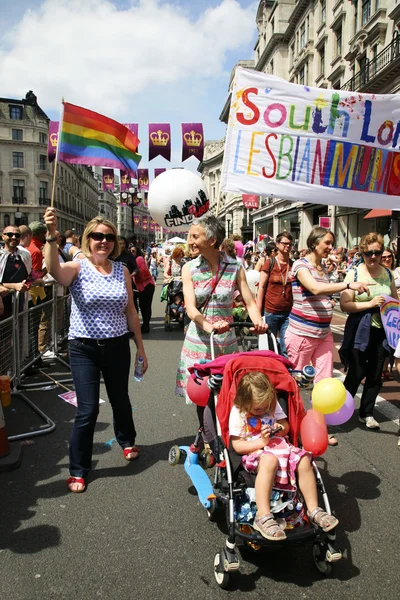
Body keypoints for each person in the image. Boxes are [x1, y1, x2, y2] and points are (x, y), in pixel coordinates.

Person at [43, 207, 147, 493]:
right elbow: (54, 270)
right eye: (98, 236)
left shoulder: (122, 271)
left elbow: (130, 311)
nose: (104, 241)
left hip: (116, 346)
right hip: (83, 348)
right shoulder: (78, 267)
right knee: (87, 410)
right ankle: (78, 469)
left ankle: (126, 440)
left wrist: (140, 347)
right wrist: (52, 235)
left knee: (120, 399)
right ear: (89, 239)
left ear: (115, 242)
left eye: (110, 237)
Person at [285, 227, 371, 446]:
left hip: (323, 334)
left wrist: (332, 298)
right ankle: (290, 429)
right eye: (328, 243)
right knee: (294, 383)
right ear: (314, 243)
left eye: (332, 243)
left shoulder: (323, 268)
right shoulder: (300, 265)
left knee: (323, 384)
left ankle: (318, 428)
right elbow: (314, 289)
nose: (331, 248)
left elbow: (322, 293)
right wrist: (348, 284)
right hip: (302, 334)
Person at [229, 372, 339, 541]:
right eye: (258, 409)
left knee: (303, 459)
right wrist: (261, 442)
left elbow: (286, 426)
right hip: (256, 451)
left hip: (281, 446)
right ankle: (263, 515)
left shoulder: (271, 405)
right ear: (244, 403)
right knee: (269, 460)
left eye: (266, 406)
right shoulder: (239, 412)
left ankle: (314, 509)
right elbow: (237, 445)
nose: (263, 410)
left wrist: (279, 427)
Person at [176, 216, 267, 413]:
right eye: (189, 236)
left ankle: (225, 436)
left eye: (194, 236)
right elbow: (190, 308)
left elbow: (249, 301)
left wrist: (258, 322)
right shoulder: (189, 268)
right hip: (200, 341)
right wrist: (210, 327)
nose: (189, 241)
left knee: (229, 392)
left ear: (211, 240)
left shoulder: (235, 267)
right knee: (203, 397)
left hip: (227, 341)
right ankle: (207, 436)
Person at [340, 233, 397, 430]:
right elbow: (344, 305)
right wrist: (370, 303)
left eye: (377, 252)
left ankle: (367, 413)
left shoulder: (388, 274)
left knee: (375, 374)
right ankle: (342, 408)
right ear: (362, 253)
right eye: (369, 253)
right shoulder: (354, 274)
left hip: (383, 331)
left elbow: (395, 303)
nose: (373, 256)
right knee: (357, 372)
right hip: (360, 329)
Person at [256, 232, 293, 358]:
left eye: (290, 244)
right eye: (284, 243)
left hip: (288, 313)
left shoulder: (293, 265)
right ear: (277, 244)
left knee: (286, 347)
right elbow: (261, 287)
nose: (287, 246)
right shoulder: (269, 263)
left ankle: (287, 374)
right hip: (271, 311)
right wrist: (258, 313)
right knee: (270, 348)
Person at [132, 253, 155, 334]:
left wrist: (133, 273)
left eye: (134, 250)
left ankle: (146, 325)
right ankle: (144, 325)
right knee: (141, 306)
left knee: (146, 306)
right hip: (139, 287)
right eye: (130, 250)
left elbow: (144, 273)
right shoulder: (130, 260)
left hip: (147, 285)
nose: (132, 252)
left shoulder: (139, 259)